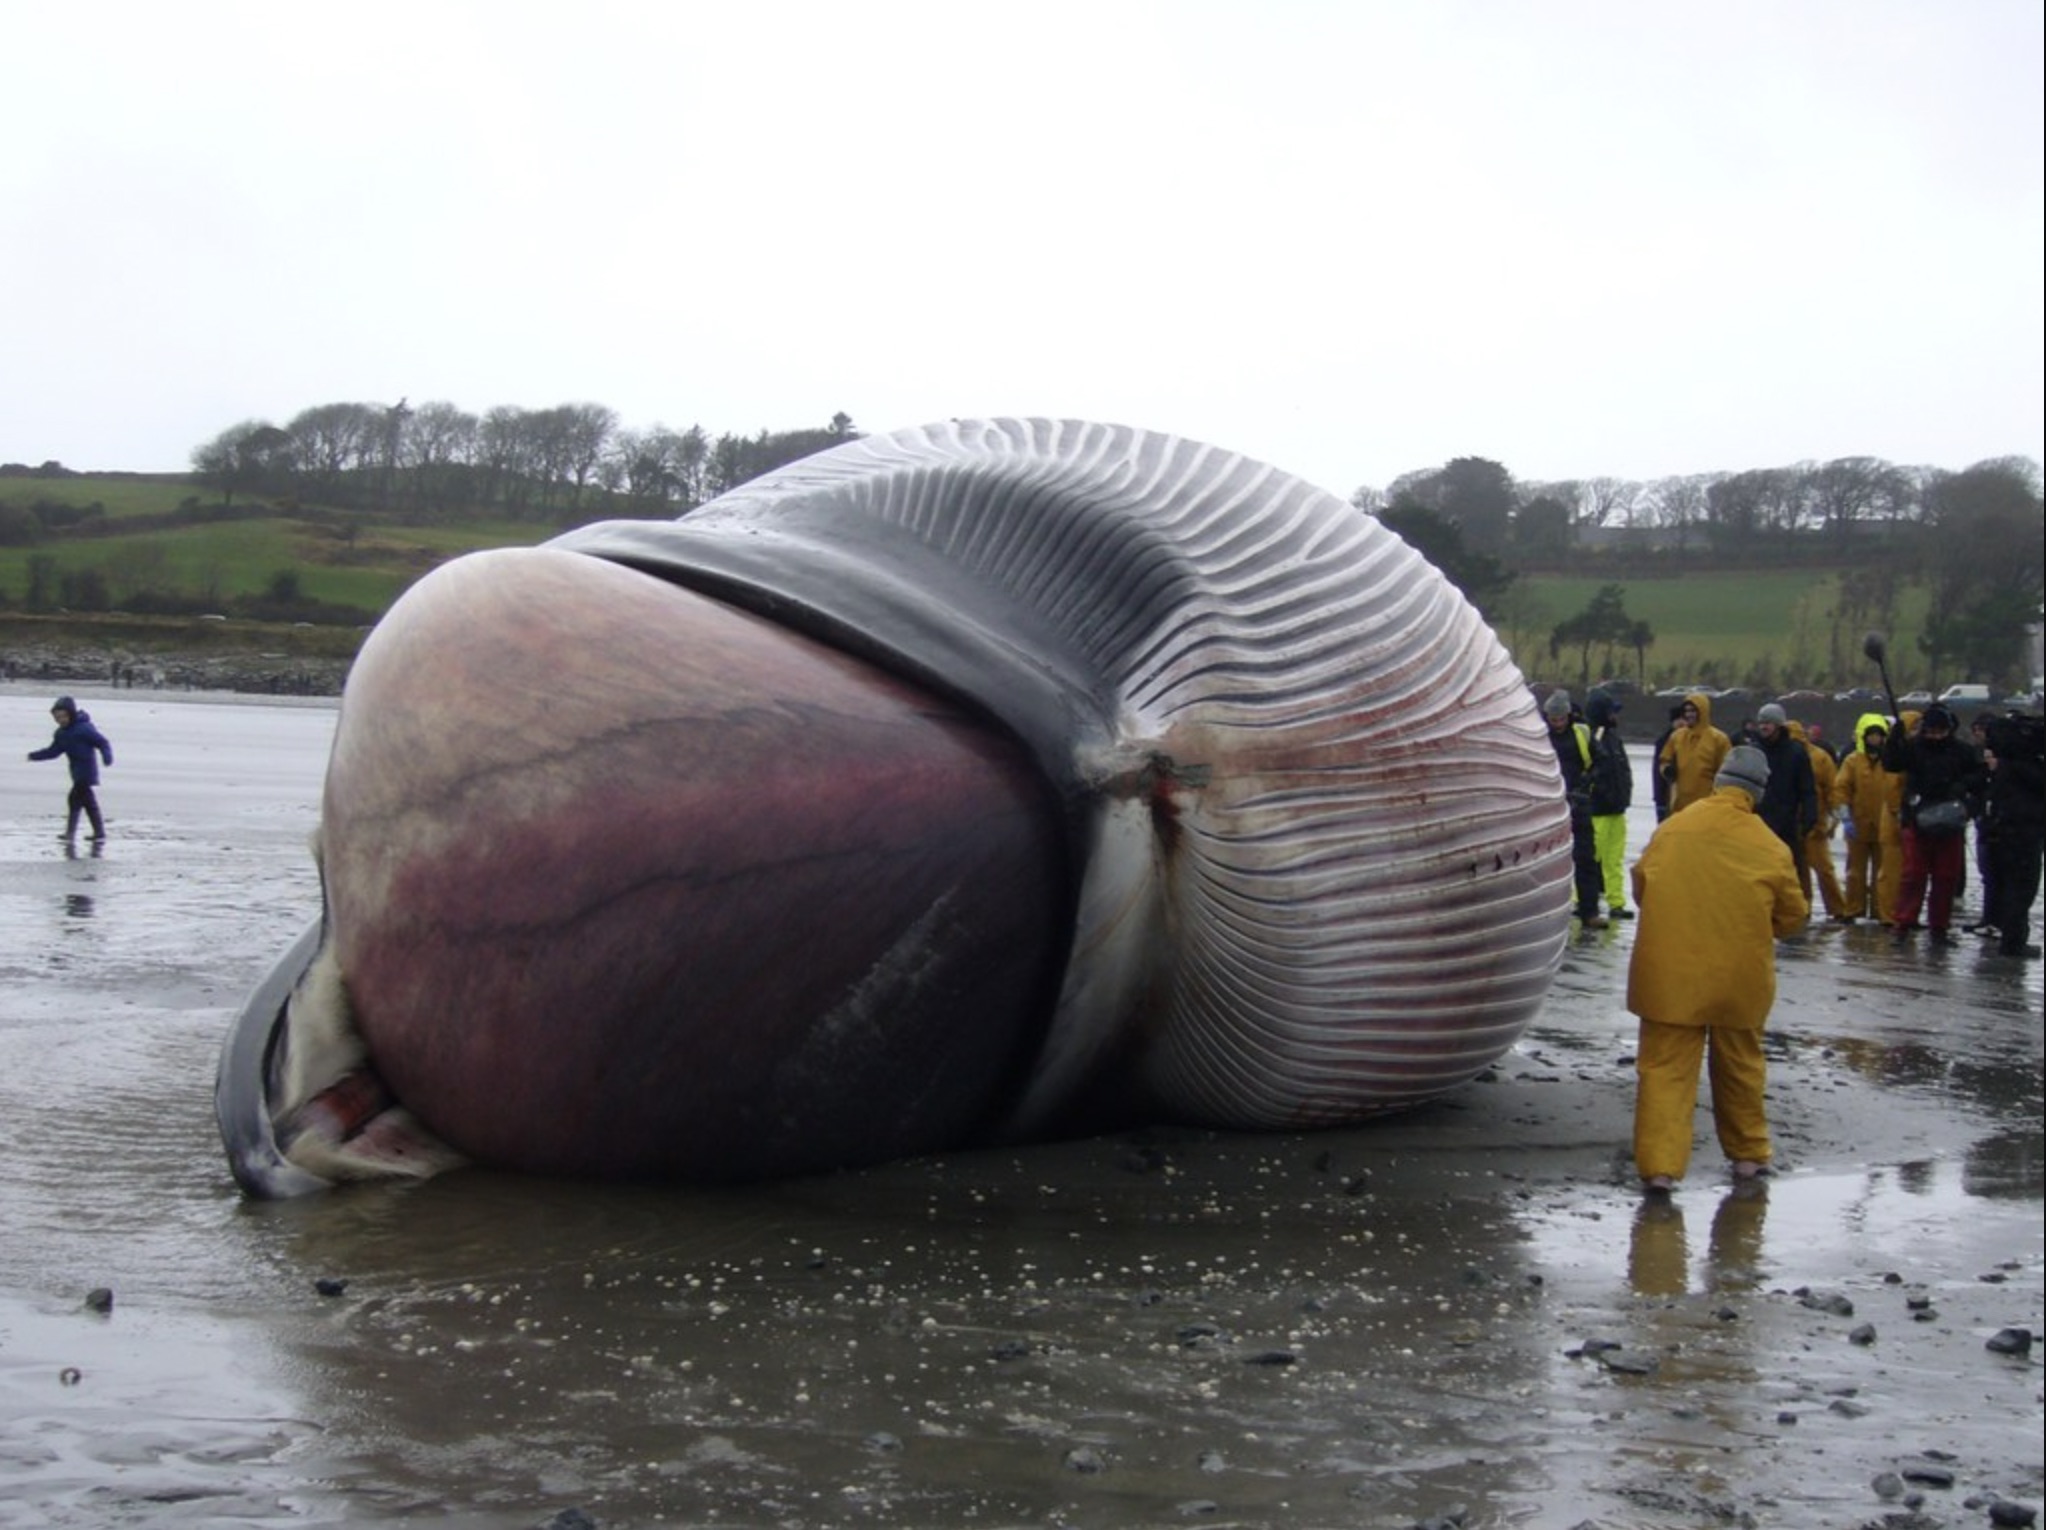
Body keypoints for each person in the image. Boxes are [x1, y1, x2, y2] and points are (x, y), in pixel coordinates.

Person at [1628, 745, 1809, 1192]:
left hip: (1669, 978)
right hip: (1738, 980)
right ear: (1757, 793)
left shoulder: (1673, 829)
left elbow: (1642, 886)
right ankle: (1748, 1157)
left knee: (1665, 1072)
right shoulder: (1770, 846)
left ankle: (1661, 1169)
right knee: (1741, 1068)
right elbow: (1792, 917)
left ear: (1718, 781)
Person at [1881, 703, 1983, 945]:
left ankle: (1939, 927)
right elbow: (1892, 763)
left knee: (1946, 877)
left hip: (1949, 820)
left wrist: (1965, 798)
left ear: (1949, 730)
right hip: (1918, 818)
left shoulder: (1963, 752)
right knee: (1913, 875)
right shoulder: (1913, 748)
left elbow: (1980, 780)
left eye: (1940, 732)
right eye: (1931, 732)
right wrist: (1894, 739)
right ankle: (1903, 923)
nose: (1935, 737)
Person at [1979, 712, 2045, 958]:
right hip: (2025, 832)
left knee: (2010, 886)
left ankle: (2010, 935)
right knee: (2023, 888)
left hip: (2005, 830)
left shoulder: (2006, 765)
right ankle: (2014, 941)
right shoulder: (2030, 768)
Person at [1543, 688, 1604, 928]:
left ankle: (1589, 911)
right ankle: (1549, 911)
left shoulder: (1583, 734)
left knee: (1585, 859)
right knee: (1547, 862)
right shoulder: (1538, 735)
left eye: (1560, 718)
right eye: (1552, 718)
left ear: (1568, 715)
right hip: (1549, 806)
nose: (1556, 723)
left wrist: (1588, 780)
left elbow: (1602, 760)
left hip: (1579, 804)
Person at [1832, 713, 1893, 924]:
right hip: (1857, 823)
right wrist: (1845, 817)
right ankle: (1853, 909)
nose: (1875, 739)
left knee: (1883, 872)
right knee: (1855, 871)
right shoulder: (1852, 761)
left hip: (1885, 825)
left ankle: (1881, 911)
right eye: (1872, 735)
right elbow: (1840, 789)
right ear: (1863, 736)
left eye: (1879, 735)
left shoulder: (1890, 760)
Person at [27, 695, 114, 841]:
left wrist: (107, 757)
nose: (61, 720)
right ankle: (98, 832)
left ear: (71, 714)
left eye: (63, 716)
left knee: (74, 800)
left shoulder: (84, 729)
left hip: (86, 772)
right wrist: (35, 756)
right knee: (88, 803)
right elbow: (53, 751)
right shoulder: (61, 734)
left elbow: (102, 742)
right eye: (57, 717)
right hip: (76, 772)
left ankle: (71, 833)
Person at [1750, 703, 1819, 879]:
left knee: (1789, 872)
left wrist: (1809, 816)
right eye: (1761, 723)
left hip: (1787, 823)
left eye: (1768, 723)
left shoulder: (1796, 753)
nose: (1764, 727)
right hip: (1759, 822)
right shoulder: (1754, 751)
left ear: (1779, 725)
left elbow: (1807, 788)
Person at [1789, 719, 1847, 919]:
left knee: (1824, 869)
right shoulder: (1784, 756)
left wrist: (1834, 816)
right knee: (1799, 870)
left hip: (1816, 823)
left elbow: (1832, 788)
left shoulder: (1820, 758)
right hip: (1791, 823)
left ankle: (1838, 908)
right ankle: (1803, 908)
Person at [1585, 688, 1634, 919]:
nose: (1616, 716)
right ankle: (1583, 900)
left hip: (1616, 810)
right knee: (1591, 859)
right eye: (1612, 711)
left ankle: (1616, 903)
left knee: (1614, 860)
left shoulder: (1613, 738)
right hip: (1599, 810)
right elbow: (1591, 770)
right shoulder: (1594, 736)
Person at [1657, 692, 1731, 817]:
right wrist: (1666, 770)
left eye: (1693, 711)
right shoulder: (1676, 737)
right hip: (1680, 807)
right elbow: (1664, 760)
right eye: (1686, 711)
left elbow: (1727, 772)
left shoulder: (1719, 739)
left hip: (1707, 807)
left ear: (1703, 711)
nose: (1688, 714)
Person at [1650, 703, 1684, 822]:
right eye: (1678, 719)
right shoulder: (1664, 741)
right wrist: (1659, 798)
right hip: (1667, 794)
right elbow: (1657, 772)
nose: (1681, 723)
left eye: (1683, 719)